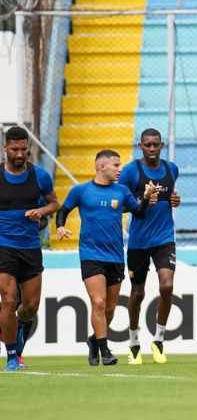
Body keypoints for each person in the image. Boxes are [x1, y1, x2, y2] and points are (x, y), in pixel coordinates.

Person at [56, 149, 159, 366]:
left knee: (110, 308)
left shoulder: (121, 191)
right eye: (116, 165)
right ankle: (105, 351)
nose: (120, 169)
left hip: (115, 256)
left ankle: (94, 341)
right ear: (102, 166)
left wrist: (147, 198)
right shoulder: (81, 190)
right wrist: (60, 227)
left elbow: (138, 213)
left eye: (120, 165)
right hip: (91, 254)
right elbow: (63, 210)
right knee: (98, 302)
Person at [118, 128, 180, 365]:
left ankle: (159, 340)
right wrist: (142, 199)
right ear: (140, 146)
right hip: (138, 241)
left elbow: (170, 197)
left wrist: (175, 199)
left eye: (156, 145)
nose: (152, 149)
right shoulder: (131, 171)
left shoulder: (171, 168)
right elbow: (122, 204)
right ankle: (134, 342)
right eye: (147, 145)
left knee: (167, 285)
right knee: (138, 292)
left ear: (162, 145)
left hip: (164, 238)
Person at [0, 126, 59, 372]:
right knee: (9, 300)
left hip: (31, 247)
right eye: (15, 149)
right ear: (5, 148)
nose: (20, 154)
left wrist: (42, 211)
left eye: (24, 149)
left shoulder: (40, 176)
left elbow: (55, 203)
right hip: (4, 246)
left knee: (31, 306)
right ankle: (13, 357)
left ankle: (19, 329)